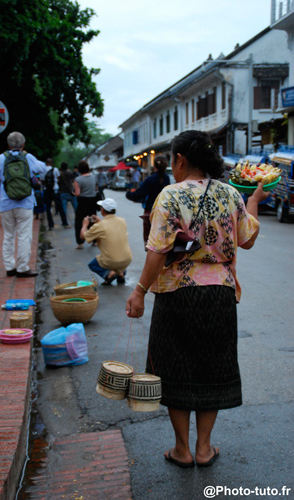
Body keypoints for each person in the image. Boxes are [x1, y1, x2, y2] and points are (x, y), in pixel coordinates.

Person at [126, 130, 269, 469]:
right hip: (219, 293)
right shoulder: (231, 194)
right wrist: (253, 201)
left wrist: (139, 291)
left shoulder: (170, 195)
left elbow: (158, 251)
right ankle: (204, 448)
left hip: (177, 293)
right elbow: (246, 239)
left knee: (175, 368)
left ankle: (182, 449)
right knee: (210, 368)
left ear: (179, 160)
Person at [0, 131, 49, 278]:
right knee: (24, 235)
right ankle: (22, 268)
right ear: (23, 144)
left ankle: (9, 267)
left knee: (8, 236)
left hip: (6, 202)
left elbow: (0, 176)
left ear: (8, 145)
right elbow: (42, 168)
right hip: (25, 202)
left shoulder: (1, 158)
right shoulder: (27, 157)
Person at [80, 198, 132, 285]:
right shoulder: (122, 221)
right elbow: (109, 227)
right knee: (118, 259)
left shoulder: (100, 226)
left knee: (92, 265)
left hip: (112, 261)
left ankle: (109, 274)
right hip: (126, 260)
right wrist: (99, 220)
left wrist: (85, 224)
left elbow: (83, 236)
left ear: (103, 210)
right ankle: (121, 273)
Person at [126, 155, 170, 247]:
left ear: (154, 166)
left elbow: (139, 194)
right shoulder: (167, 178)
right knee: (161, 239)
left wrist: (129, 194)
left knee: (150, 241)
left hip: (150, 211)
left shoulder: (150, 179)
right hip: (164, 211)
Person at [73, 160, 97, 249]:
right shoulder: (94, 177)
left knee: (79, 222)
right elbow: (96, 188)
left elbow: (78, 193)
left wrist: (73, 193)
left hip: (82, 202)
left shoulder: (78, 180)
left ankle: (80, 242)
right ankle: (94, 241)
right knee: (93, 221)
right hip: (92, 201)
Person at [42, 158, 69, 230]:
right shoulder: (55, 169)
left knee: (48, 208)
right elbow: (58, 178)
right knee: (60, 207)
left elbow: (41, 180)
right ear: (51, 163)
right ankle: (65, 223)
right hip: (55, 190)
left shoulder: (42, 170)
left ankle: (51, 225)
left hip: (46, 191)